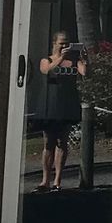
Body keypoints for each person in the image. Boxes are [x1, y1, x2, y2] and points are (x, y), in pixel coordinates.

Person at [33, 30, 86, 191]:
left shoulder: (73, 61)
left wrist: (84, 58)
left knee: (62, 142)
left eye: (67, 42)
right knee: (48, 142)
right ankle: (45, 180)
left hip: (66, 103)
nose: (64, 45)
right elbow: (47, 70)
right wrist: (61, 57)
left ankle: (57, 180)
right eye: (61, 42)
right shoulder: (46, 59)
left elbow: (85, 73)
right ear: (54, 43)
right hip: (50, 103)